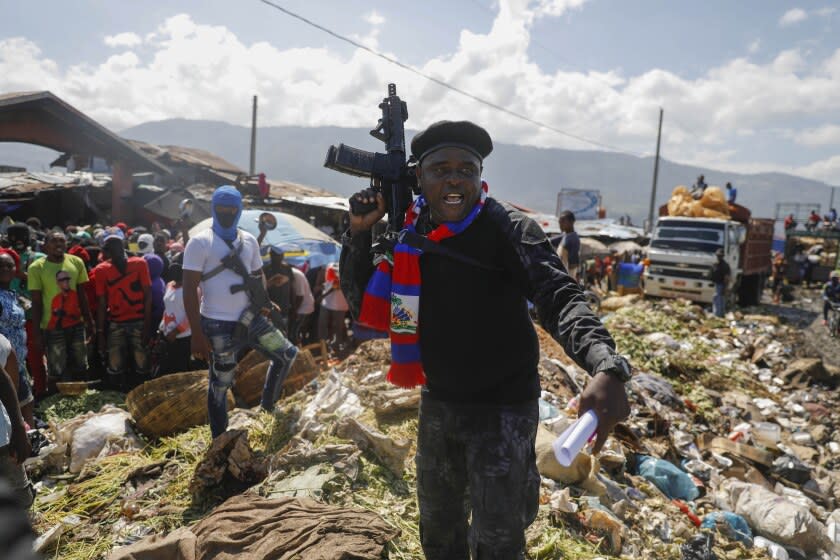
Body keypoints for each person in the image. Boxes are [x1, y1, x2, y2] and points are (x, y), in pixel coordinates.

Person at [340, 120, 631, 558]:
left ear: (479, 177)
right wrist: (360, 233)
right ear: (419, 178)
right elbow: (362, 301)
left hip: (504, 410)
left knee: (497, 539)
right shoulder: (406, 233)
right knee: (439, 531)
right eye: (440, 169)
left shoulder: (509, 229)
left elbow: (560, 297)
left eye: (466, 169)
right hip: (439, 402)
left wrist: (604, 364)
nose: (454, 179)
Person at [183, 186, 298, 439]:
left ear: (239, 209)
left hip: (251, 318)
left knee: (287, 354)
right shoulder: (200, 242)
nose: (226, 213)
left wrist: (265, 303)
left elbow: (257, 277)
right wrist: (196, 334)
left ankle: (267, 410)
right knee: (220, 385)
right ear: (214, 208)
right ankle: (219, 440)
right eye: (221, 208)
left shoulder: (248, 241)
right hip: (216, 325)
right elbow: (189, 289)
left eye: (231, 209)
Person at [28, 231, 94, 386]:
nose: (58, 244)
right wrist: (37, 332)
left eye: (62, 241)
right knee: (56, 369)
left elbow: (82, 295)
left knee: (81, 365)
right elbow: (36, 302)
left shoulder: (77, 262)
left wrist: (90, 322)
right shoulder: (36, 268)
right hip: (52, 327)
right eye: (54, 241)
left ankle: (81, 400)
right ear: (45, 245)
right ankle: (54, 403)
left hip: (77, 325)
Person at [94, 228, 152, 390]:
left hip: (138, 321)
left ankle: (143, 395)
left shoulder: (140, 264)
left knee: (142, 365)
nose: (112, 252)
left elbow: (148, 296)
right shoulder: (101, 270)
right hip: (116, 322)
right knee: (115, 365)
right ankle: (117, 398)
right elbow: (101, 302)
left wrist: (147, 325)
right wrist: (100, 332)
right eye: (108, 249)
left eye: (115, 248)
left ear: (122, 247)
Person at [5, 224, 46, 397]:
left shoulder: (38, 258)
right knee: (11, 358)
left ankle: (40, 390)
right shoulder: (4, 257)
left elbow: (46, 285)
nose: (18, 241)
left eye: (22, 236)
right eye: (14, 237)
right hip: (8, 317)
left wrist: (23, 275)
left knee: (35, 355)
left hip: (32, 316)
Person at [0, 333, 33, 510]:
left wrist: (19, 428)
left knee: (18, 501)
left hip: (1, 441)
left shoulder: (3, 343)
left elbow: (5, 382)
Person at [0, 253, 33, 427]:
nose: (5, 269)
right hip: (4, 365)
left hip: (19, 362)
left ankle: (31, 444)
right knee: (12, 410)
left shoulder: (11, 294)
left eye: (9, 265)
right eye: (1, 266)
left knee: (26, 404)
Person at [318, 262, 349, 352]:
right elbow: (329, 283)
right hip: (328, 303)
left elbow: (336, 285)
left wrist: (322, 296)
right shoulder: (329, 265)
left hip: (338, 304)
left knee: (337, 326)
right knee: (326, 325)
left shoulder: (342, 267)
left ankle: (336, 345)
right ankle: (324, 345)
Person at [263, 246, 295, 332]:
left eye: (280, 255)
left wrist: (293, 306)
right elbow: (261, 289)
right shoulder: (265, 270)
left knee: (283, 333)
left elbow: (292, 288)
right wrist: (271, 282)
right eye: (275, 255)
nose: (278, 257)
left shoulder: (287, 269)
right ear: (271, 255)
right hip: (270, 309)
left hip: (285, 308)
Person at [289, 263, 313, 345]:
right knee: (299, 330)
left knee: (294, 333)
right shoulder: (292, 273)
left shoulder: (296, 274)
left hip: (303, 307)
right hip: (301, 306)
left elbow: (300, 296)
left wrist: (294, 311)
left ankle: (299, 353)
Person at [556, 210, 581, 282]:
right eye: (559, 222)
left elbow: (573, 266)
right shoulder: (565, 236)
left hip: (566, 280)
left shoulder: (573, 239)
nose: (560, 224)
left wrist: (570, 282)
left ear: (571, 222)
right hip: (560, 277)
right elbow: (548, 240)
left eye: (563, 221)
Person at [709, 248, 731, 318]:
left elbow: (726, 277)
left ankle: (718, 315)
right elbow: (712, 274)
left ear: (722, 256)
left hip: (721, 284)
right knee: (717, 298)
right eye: (718, 255)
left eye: (720, 256)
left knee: (719, 299)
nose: (719, 257)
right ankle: (720, 314)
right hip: (716, 284)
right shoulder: (715, 264)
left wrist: (725, 287)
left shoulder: (724, 265)